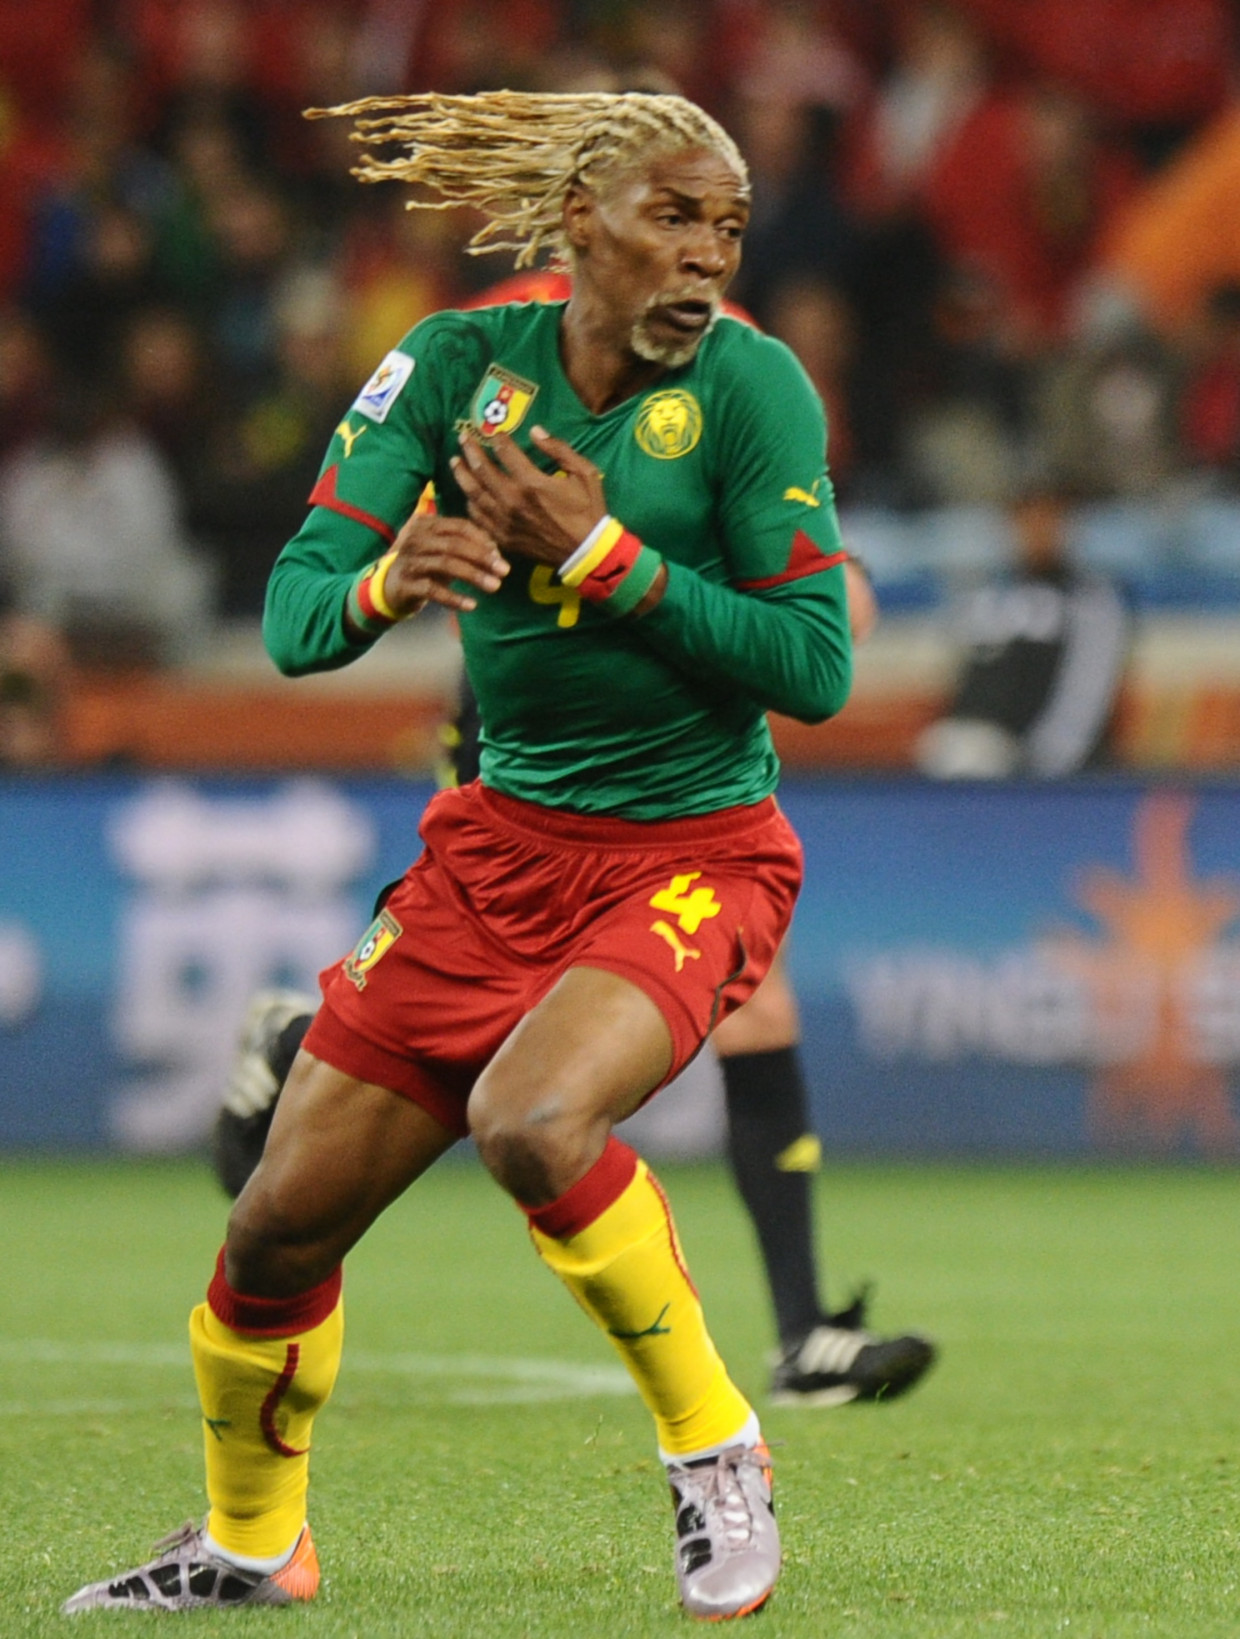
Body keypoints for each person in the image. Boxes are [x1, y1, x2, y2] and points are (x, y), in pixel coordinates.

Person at [66, 89, 849, 1621]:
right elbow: (295, 613)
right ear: (579, 224)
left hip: (691, 850)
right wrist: (383, 583)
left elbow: (814, 666)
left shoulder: (754, 386)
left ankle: (716, 1444)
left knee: (532, 1119)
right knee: (273, 1225)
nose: (708, 256)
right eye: (674, 218)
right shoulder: (447, 367)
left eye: (729, 226)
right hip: (494, 851)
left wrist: (603, 555)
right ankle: (252, 1541)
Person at [215, 552, 936, 1408]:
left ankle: (802, 1334)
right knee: (500, 1033)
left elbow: (827, 592)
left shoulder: (739, 476)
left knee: (754, 1000)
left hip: (662, 755)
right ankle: (305, 1042)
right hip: (535, 731)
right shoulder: (545, 467)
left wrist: (800, 597)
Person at [914, 482, 1129, 778]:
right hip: (977, 754)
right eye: (1027, 520)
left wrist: (1045, 763)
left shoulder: (1090, 599)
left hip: (1049, 769)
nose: (1036, 532)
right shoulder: (987, 595)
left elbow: (1087, 689)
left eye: (1048, 520)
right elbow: (966, 682)